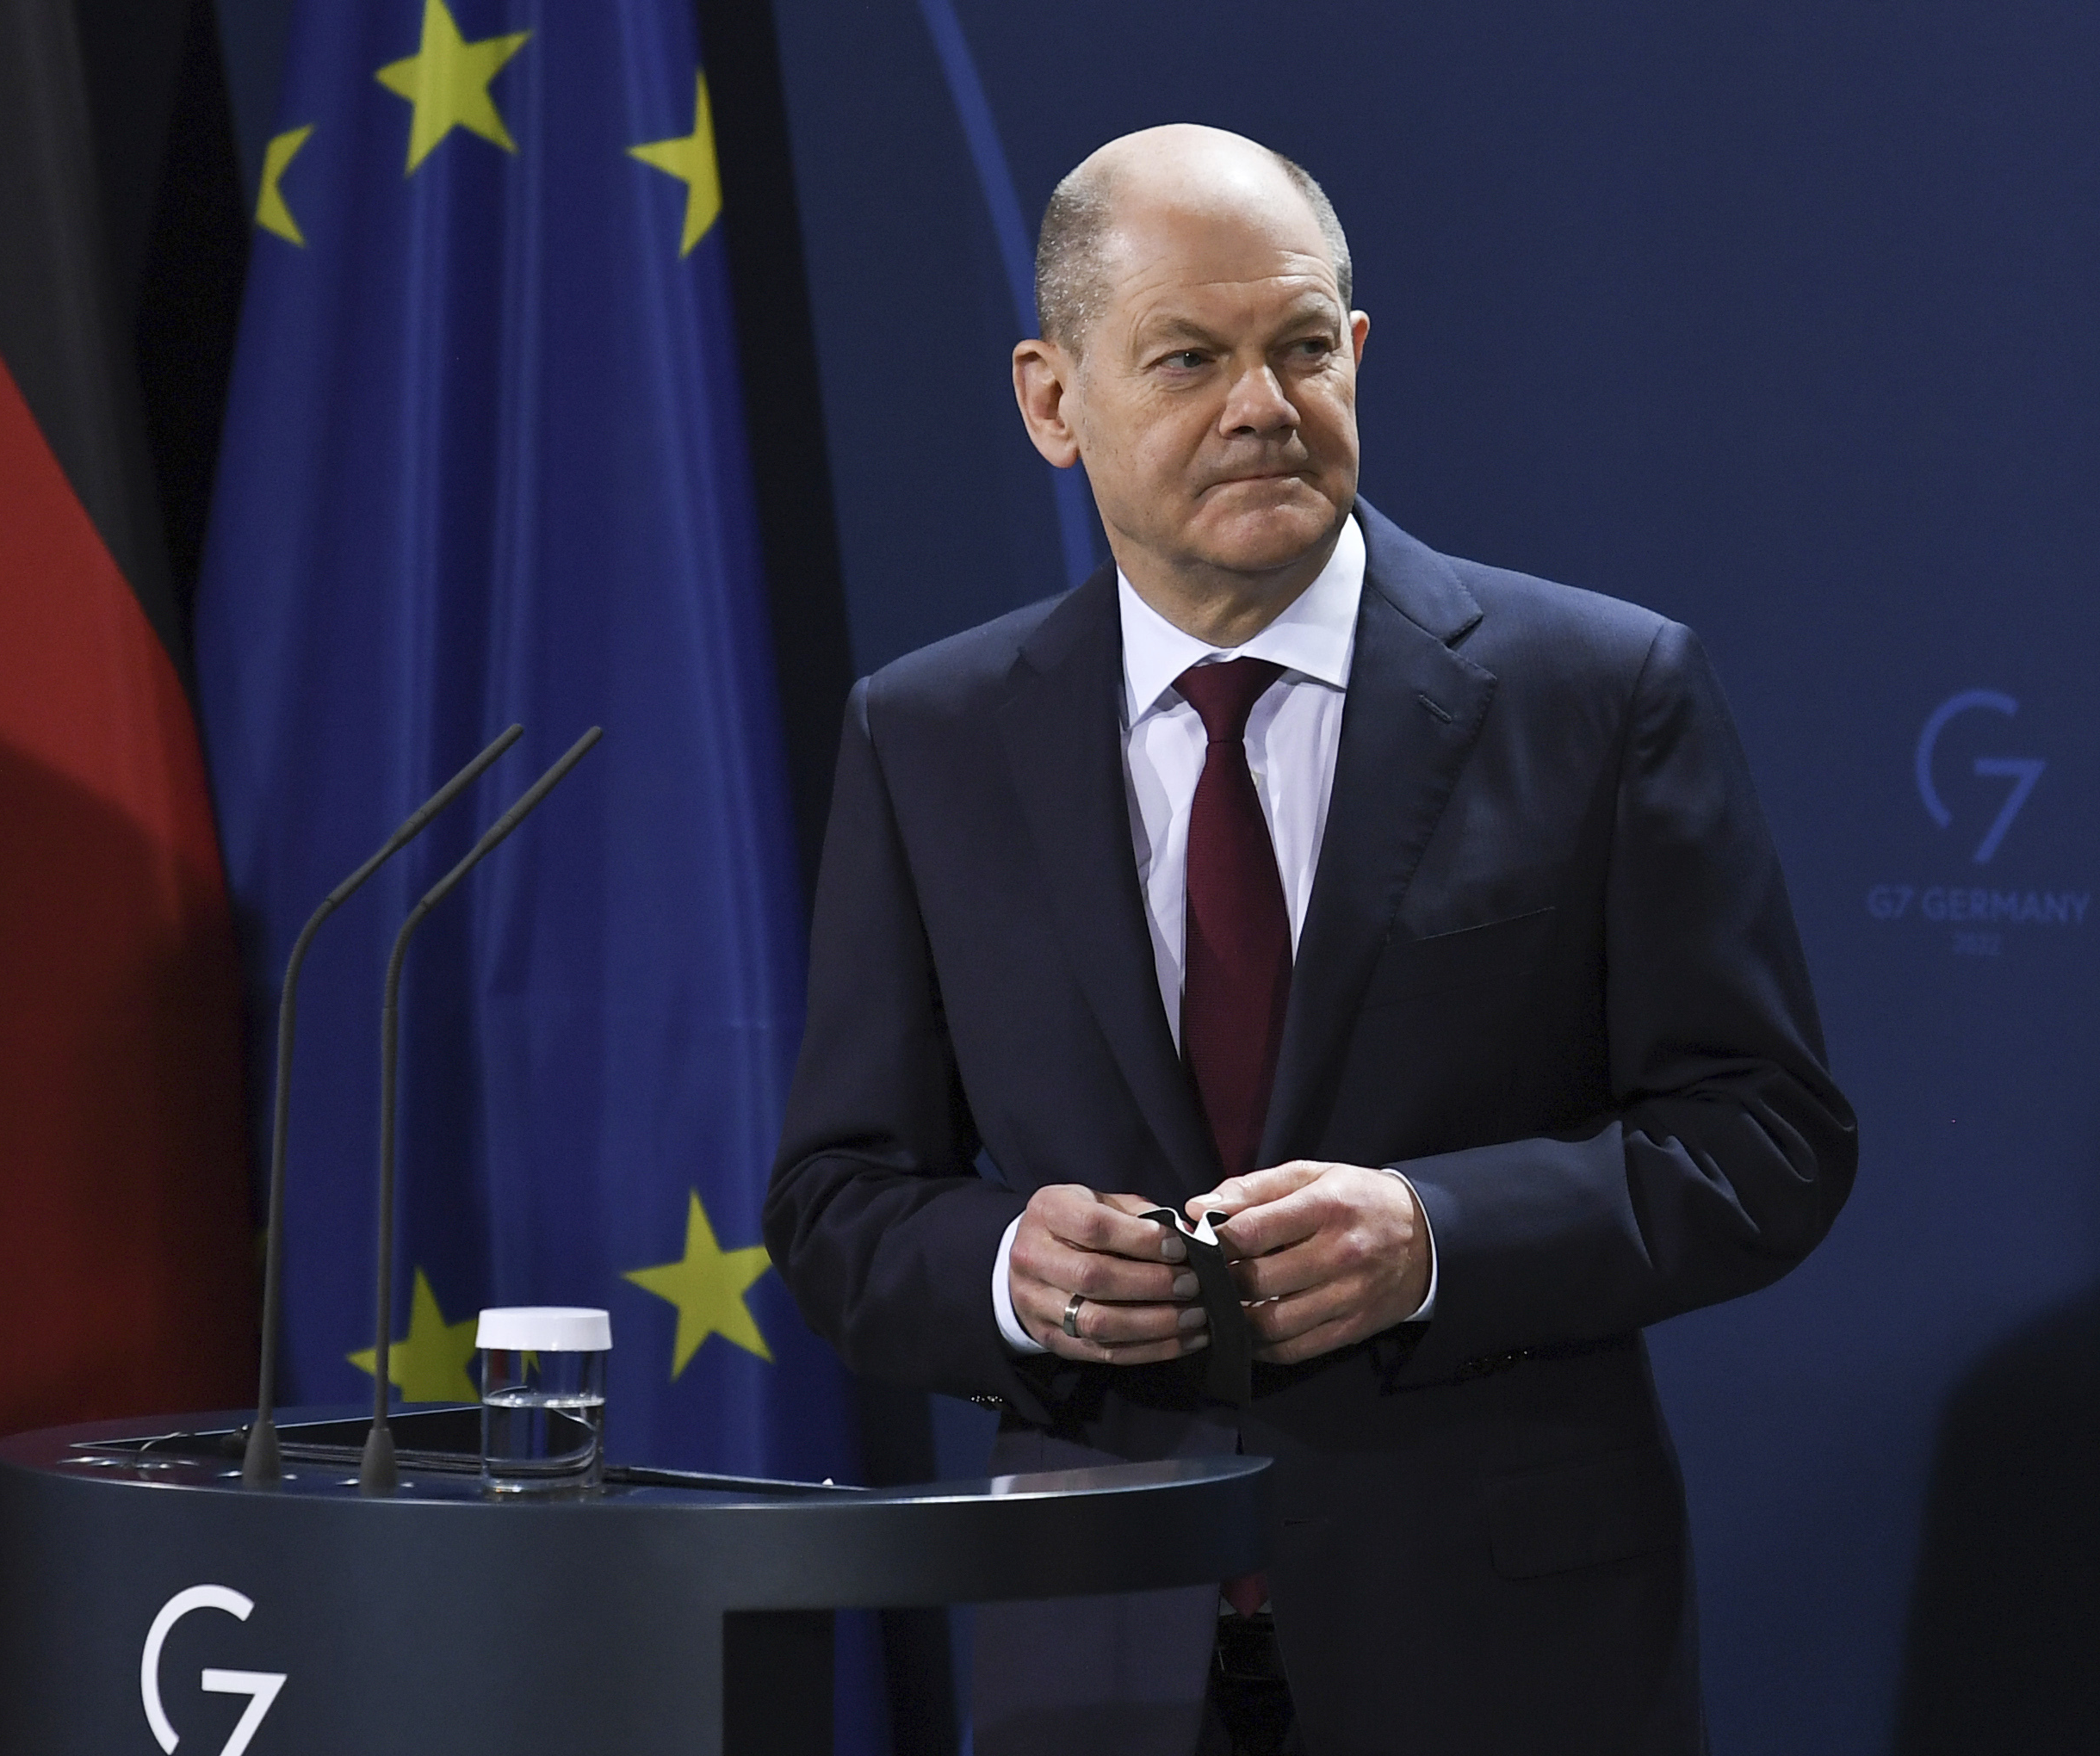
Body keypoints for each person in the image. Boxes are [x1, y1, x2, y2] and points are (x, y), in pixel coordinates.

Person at [764, 123, 1855, 1756]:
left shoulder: (1597, 693)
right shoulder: (926, 736)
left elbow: (1765, 1139)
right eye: (1189, 359)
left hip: (1499, 1641)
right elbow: (841, 1200)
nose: (1262, 406)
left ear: (1355, 354)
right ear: (1053, 401)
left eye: (1297, 350)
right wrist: (1009, 1269)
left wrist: (1431, 1233)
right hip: (1096, 1639)